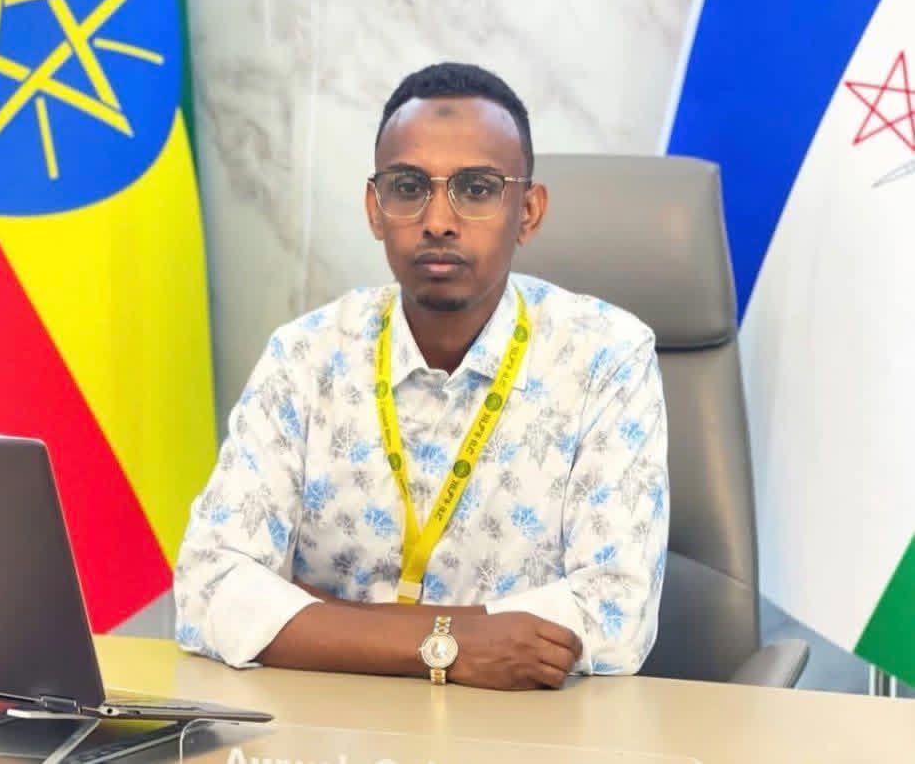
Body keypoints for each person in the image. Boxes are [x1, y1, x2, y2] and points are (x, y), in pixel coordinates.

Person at [174, 63, 669, 691]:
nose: (438, 220)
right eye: (408, 187)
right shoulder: (306, 356)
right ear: (375, 209)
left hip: (524, 729)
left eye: (477, 189)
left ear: (528, 211)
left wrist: (321, 618)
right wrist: (451, 646)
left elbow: (616, 615)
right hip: (327, 723)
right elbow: (208, 587)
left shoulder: (606, 357)